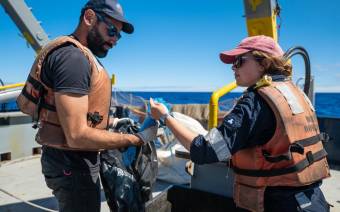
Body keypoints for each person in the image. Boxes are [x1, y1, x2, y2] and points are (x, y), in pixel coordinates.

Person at [150, 35, 331, 212]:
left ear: (264, 62)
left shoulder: (255, 102)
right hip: (313, 199)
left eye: (239, 61)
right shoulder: (297, 94)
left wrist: (166, 117)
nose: (233, 67)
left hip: (277, 203)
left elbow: (204, 150)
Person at [16, 0, 158, 211]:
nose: (115, 40)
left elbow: (74, 116)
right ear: (89, 18)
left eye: (118, 35)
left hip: (67, 161)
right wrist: (138, 139)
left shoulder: (75, 54)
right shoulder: (73, 59)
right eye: (111, 30)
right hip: (72, 165)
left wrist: (113, 121)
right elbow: (77, 135)